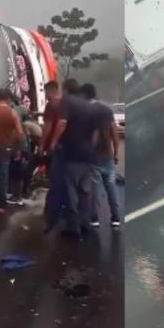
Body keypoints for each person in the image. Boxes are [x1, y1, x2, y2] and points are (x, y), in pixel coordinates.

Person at [56, 89, 97, 240]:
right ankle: (85, 224)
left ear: (68, 90)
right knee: (85, 192)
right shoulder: (88, 106)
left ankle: (74, 229)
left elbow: (62, 123)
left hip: (72, 154)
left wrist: (54, 141)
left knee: (71, 192)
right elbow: (95, 132)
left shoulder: (67, 101)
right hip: (88, 156)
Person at [80, 83, 121, 228]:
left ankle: (94, 218)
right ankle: (116, 217)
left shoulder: (86, 110)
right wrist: (116, 153)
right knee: (111, 187)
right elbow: (114, 132)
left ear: (84, 95)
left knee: (94, 189)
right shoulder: (107, 109)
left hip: (94, 157)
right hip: (108, 155)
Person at [39, 80, 66, 232]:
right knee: (63, 179)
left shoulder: (51, 105)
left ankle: (51, 213)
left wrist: (42, 145)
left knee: (54, 180)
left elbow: (47, 127)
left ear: (51, 90)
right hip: (65, 147)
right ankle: (64, 207)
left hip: (53, 147)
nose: (46, 95)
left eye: (46, 92)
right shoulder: (65, 103)